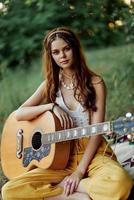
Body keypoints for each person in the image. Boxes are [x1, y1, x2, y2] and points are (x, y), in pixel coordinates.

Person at [2, 27, 133, 200]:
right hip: (59, 157)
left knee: (120, 183)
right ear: (51, 56)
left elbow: (96, 132)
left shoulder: (95, 83)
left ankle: (75, 186)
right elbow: (20, 114)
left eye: (66, 49)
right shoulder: (50, 84)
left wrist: (79, 173)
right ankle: (64, 189)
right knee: (10, 191)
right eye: (56, 52)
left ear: (75, 49)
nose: (62, 56)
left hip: (92, 153)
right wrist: (51, 107)